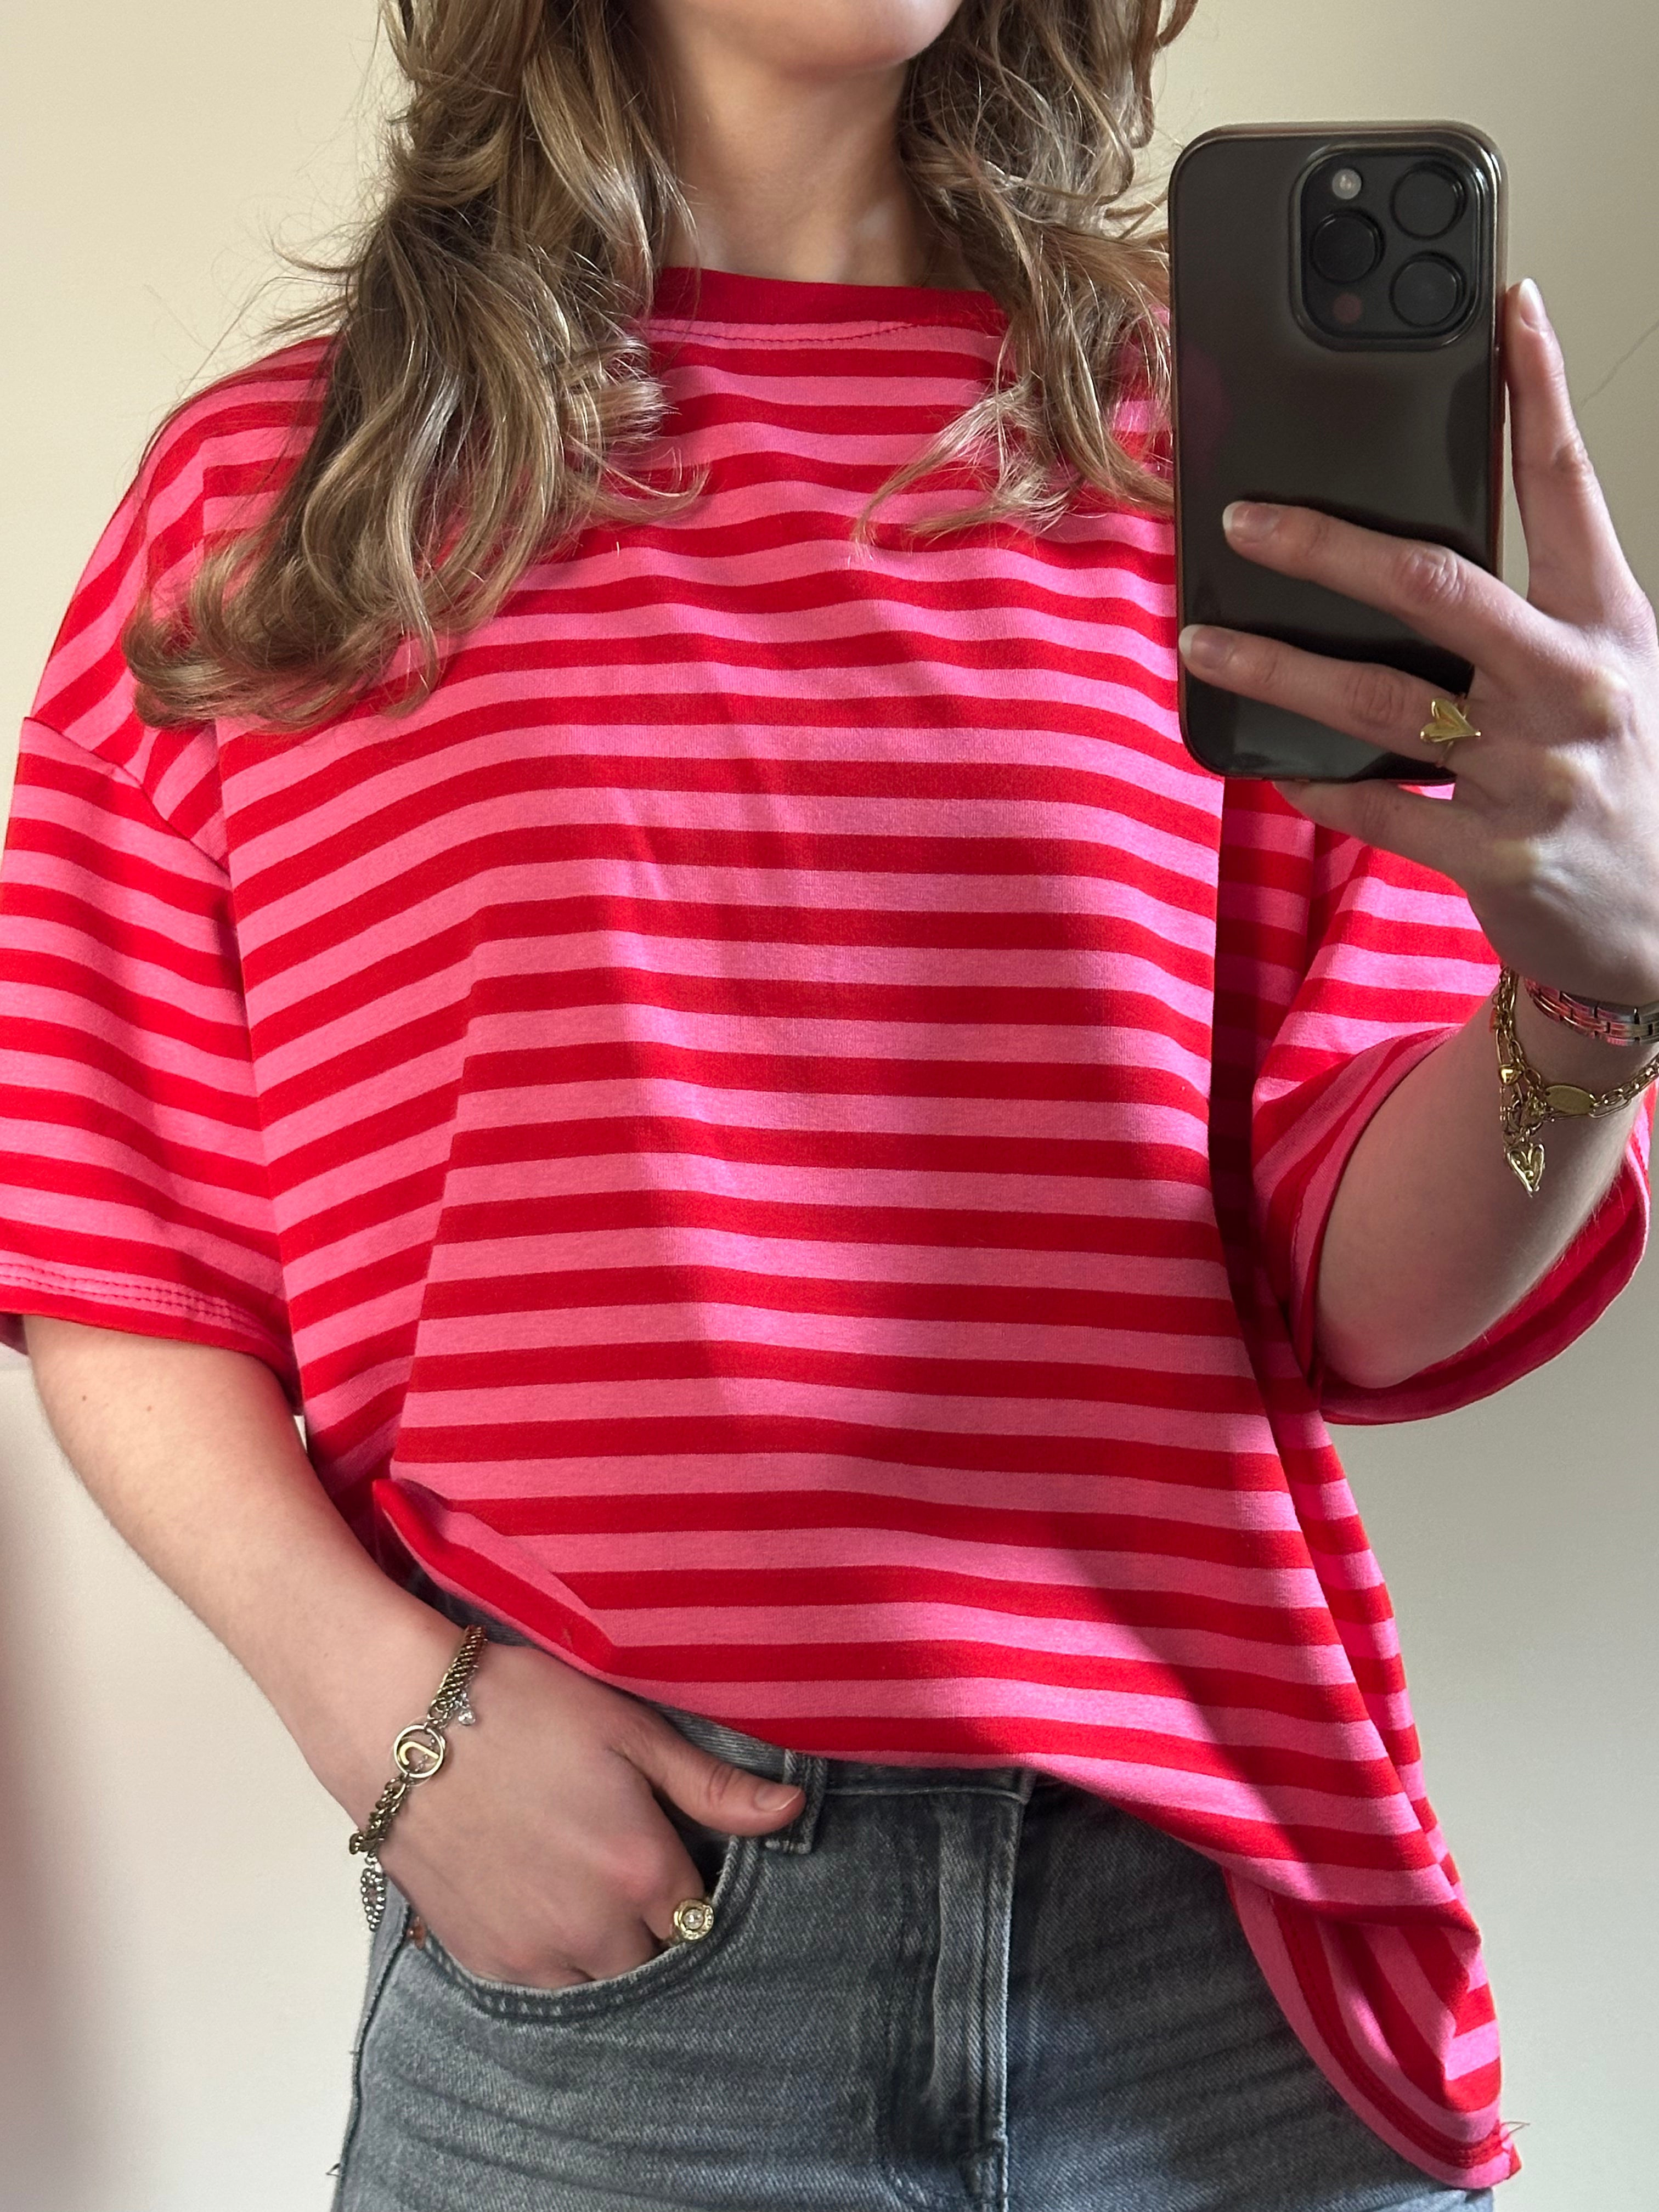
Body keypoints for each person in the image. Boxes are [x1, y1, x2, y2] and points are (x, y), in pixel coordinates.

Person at [3, 1, 1656, 2205]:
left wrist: (1593, 994)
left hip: (1210, 1971)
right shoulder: (286, 500)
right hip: (618, 1983)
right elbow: (106, 1235)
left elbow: (1361, 1288)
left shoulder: (1206, 468)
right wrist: (386, 1723)